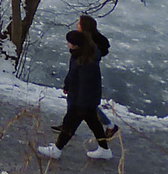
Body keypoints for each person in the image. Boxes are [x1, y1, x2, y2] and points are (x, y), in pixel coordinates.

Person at [39, 30, 114, 160]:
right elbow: (73, 75)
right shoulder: (80, 55)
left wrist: (81, 103)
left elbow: (85, 83)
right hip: (83, 98)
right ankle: (104, 149)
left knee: (69, 123)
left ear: (75, 44)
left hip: (82, 99)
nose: (67, 44)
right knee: (94, 124)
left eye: (68, 42)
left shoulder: (85, 60)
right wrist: (67, 85)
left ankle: (56, 150)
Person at [77, 14, 119, 138]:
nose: (76, 25)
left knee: (88, 107)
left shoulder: (90, 47)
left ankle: (109, 128)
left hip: (87, 81)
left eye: (79, 23)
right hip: (84, 80)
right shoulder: (86, 42)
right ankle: (67, 127)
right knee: (80, 105)